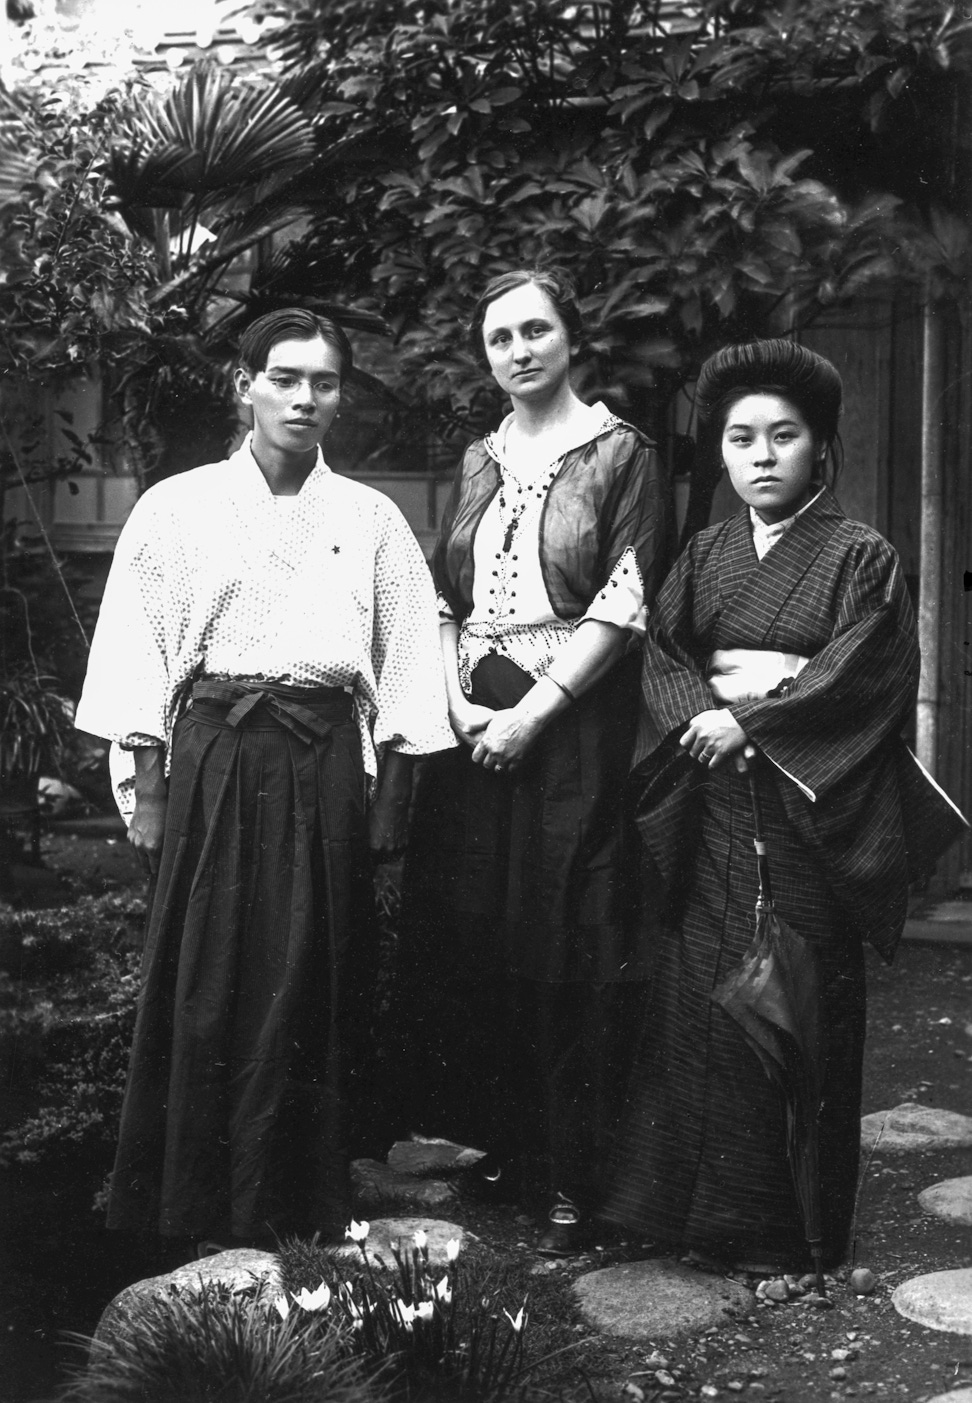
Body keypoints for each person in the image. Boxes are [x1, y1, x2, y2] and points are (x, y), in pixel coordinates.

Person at [75, 308, 456, 1252]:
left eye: (324, 382)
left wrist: (391, 801)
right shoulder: (176, 506)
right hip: (214, 756)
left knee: (312, 970)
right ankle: (198, 1205)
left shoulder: (370, 519)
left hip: (323, 758)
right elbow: (136, 650)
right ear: (243, 384)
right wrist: (150, 790)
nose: (304, 398)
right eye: (285, 377)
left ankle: (303, 1203)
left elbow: (408, 662)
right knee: (208, 974)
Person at [604, 337, 921, 1273]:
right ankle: (700, 1217)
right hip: (715, 799)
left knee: (801, 996)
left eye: (785, 435)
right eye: (741, 437)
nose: (762, 454)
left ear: (821, 447)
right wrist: (702, 717)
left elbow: (862, 669)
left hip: (808, 806)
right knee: (702, 997)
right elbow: (661, 650)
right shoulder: (704, 552)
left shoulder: (862, 554)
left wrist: (757, 725)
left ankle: (795, 1231)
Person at [396, 267, 669, 1254]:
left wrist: (537, 712)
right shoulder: (478, 456)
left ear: (570, 338)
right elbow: (441, 592)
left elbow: (626, 599)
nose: (518, 349)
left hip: (573, 728)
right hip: (476, 722)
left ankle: (575, 1173)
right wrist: (457, 698)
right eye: (499, 337)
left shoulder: (621, 453)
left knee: (567, 941)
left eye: (534, 330)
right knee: (483, 934)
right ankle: (508, 1147)